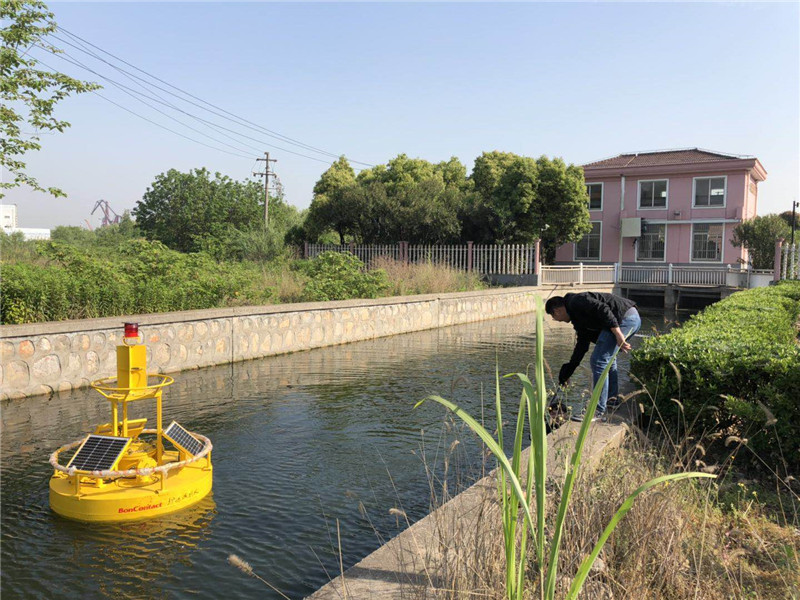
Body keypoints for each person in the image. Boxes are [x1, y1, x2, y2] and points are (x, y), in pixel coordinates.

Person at [544, 292, 641, 422]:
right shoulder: (578, 319)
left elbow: (602, 308)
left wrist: (618, 333)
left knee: (598, 360)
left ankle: (596, 410)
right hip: (631, 318)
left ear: (557, 311)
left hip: (624, 319)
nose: (556, 320)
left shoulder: (575, 301)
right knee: (608, 360)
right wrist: (567, 372)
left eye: (553, 316)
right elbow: (581, 348)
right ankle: (611, 401)